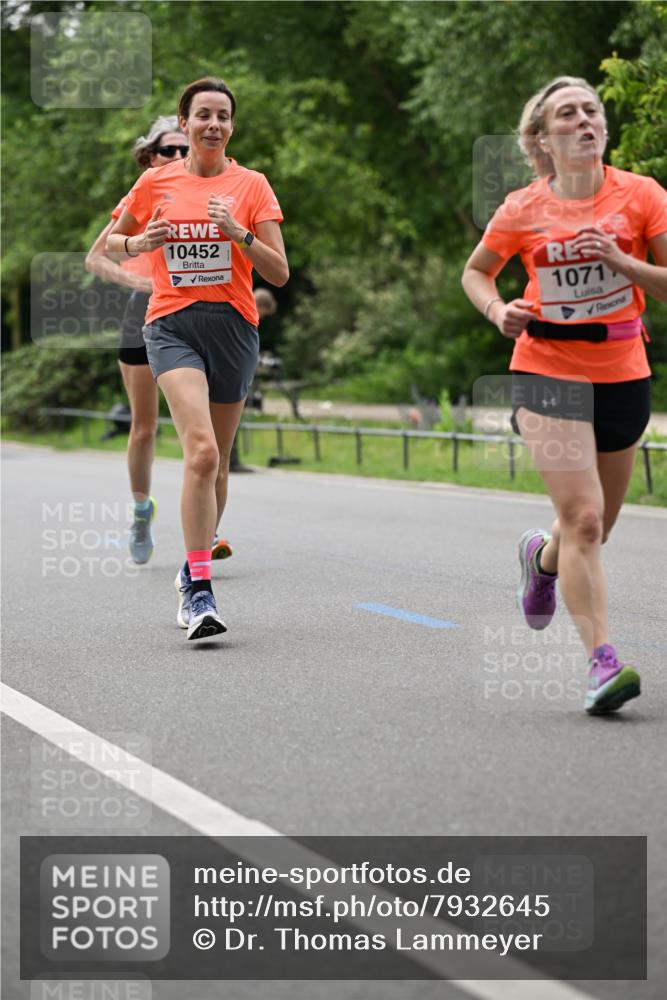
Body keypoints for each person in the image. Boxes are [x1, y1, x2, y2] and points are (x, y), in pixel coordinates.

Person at [462, 76, 667, 714]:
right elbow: (476, 272)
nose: (583, 121)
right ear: (542, 140)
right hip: (546, 369)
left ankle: (541, 560)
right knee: (582, 516)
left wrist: (624, 263)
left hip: (623, 367)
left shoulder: (643, 195)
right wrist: (498, 311)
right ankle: (601, 663)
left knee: (596, 526)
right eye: (567, 115)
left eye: (591, 111)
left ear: (603, 128)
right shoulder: (522, 208)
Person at [107, 77, 288, 640]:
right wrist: (140, 244)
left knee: (222, 459)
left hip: (233, 328)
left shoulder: (252, 185)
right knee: (202, 452)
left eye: (223, 116)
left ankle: (193, 563)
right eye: (202, 114)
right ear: (183, 125)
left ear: (231, 126)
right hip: (170, 324)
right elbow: (112, 241)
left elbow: (279, 271)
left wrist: (238, 234)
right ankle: (199, 590)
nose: (213, 124)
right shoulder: (155, 181)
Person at [85, 117, 190, 564]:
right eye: (171, 150)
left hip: (194, 312)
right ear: (150, 157)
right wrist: (136, 280)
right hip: (143, 313)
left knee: (197, 431)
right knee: (145, 426)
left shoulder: (210, 189)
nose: (180, 158)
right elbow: (96, 258)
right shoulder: (143, 194)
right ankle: (142, 511)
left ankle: (208, 526)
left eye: (185, 150)